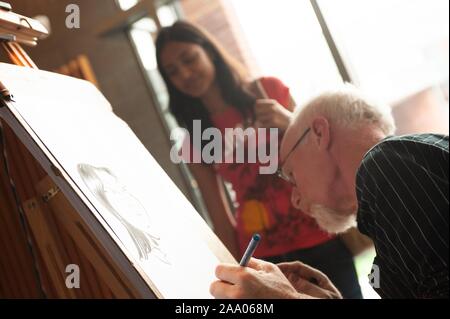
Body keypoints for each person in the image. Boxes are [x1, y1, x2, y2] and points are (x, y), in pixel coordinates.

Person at [155, 21, 363, 298]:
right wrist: (230, 270)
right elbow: (219, 213)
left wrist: (288, 121)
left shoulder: (268, 91)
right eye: (173, 72)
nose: (185, 73)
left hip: (318, 233)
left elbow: (323, 153)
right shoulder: (194, 138)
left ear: (210, 52)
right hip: (264, 257)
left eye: (189, 59)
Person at [210, 85, 449, 299]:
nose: (295, 199)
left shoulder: (386, 163)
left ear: (319, 133)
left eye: (291, 174)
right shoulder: (395, 188)